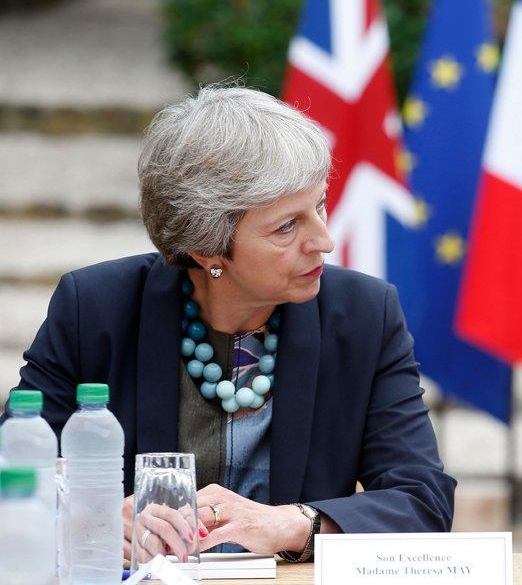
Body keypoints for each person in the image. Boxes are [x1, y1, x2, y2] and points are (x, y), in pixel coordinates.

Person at [6, 85, 455, 562]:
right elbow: (13, 474)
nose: (324, 240)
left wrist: (294, 523)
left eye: (320, 205)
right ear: (207, 249)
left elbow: (422, 502)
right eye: (287, 226)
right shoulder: (96, 309)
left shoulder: (364, 315)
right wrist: (86, 512)